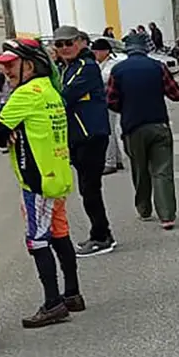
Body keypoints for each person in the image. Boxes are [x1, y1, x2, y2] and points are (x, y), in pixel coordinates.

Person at [0, 38, 85, 328]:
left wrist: (9, 129)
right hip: (57, 174)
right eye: (3, 65)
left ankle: (53, 303)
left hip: (37, 181)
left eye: (11, 64)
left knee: (37, 240)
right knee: (59, 233)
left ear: (29, 66)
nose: (5, 70)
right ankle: (72, 294)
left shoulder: (24, 95)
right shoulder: (49, 90)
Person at [107, 34, 179, 229]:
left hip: (133, 127)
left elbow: (112, 101)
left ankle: (144, 208)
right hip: (159, 124)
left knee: (139, 169)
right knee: (162, 171)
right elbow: (175, 94)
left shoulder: (118, 70)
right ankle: (167, 215)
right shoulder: (158, 67)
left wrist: (128, 106)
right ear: (145, 48)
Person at [53, 25, 116, 257]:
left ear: (81, 42)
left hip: (91, 136)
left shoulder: (86, 67)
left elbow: (62, 96)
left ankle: (102, 236)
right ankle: (100, 234)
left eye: (69, 43)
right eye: (59, 44)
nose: (64, 48)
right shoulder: (67, 67)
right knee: (87, 189)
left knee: (90, 189)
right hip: (79, 136)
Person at [91, 38, 125, 175]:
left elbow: (103, 79)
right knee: (110, 130)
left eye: (97, 51)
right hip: (104, 101)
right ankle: (117, 160)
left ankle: (110, 162)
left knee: (108, 132)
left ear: (105, 51)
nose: (95, 54)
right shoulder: (100, 64)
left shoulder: (111, 65)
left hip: (110, 101)